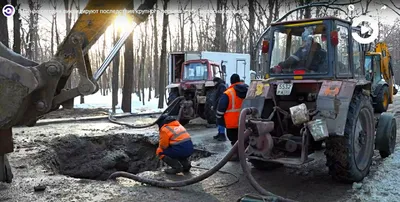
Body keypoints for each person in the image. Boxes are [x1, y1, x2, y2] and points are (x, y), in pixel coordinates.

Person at [216, 74, 248, 161]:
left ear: (231, 82)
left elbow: (221, 108)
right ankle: (243, 153)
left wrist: (219, 118)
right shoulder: (248, 89)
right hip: (245, 121)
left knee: (234, 139)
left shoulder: (228, 93)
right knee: (243, 138)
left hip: (232, 122)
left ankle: (236, 155)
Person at [212, 77, 227, 141]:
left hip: (220, 106)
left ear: (216, 81)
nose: (213, 83)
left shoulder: (221, 86)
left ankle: (222, 134)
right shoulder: (219, 86)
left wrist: (216, 105)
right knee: (218, 120)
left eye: (214, 82)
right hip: (217, 105)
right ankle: (219, 133)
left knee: (220, 120)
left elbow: (220, 97)